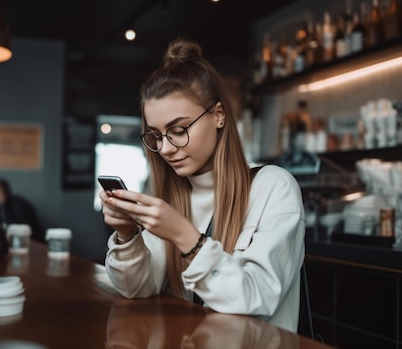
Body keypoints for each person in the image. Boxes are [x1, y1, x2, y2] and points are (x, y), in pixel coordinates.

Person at [99, 38, 305, 332]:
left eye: (179, 130)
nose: (166, 149)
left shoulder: (273, 187)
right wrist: (127, 235)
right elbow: (137, 289)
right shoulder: (168, 195)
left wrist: (185, 237)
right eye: (156, 136)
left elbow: (256, 299)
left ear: (218, 115)